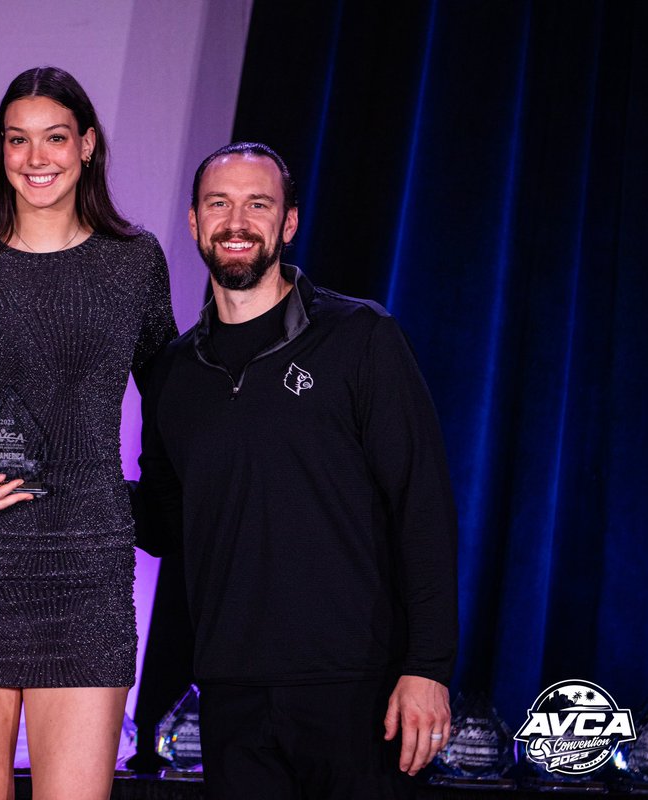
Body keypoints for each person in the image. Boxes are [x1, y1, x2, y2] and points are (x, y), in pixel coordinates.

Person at [135, 142, 458, 798]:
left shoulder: (359, 337)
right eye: (218, 204)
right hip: (231, 695)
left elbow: (421, 506)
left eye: (258, 204)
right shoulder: (171, 372)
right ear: (194, 223)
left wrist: (428, 666)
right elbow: (167, 525)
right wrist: (63, 482)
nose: (237, 221)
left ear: (287, 225)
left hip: (357, 690)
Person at [0, 66, 176, 799]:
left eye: (54, 138)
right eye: (16, 140)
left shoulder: (134, 261)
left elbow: (175, 400)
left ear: (87, 145)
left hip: (88, 570)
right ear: (1, 152)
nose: (36, 158)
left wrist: (142, 504)